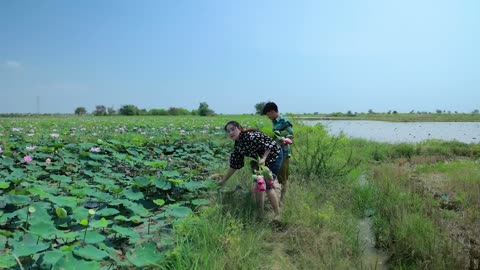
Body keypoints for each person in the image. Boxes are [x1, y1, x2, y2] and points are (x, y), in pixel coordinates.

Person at [218, 120, 283, 220]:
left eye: (232, 129)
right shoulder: (238, 147)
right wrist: (224, 180)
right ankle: (260, 214)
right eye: (228, 131)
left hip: (274, 156)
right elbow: (234, 166)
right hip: (259, 161)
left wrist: (264, 158)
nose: (230, 132)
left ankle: (277, 214)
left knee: (268, 186)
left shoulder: (251, 136)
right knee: (259, 185)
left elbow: (270, 145)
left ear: (239, 128)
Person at [262, 102, 294, 202]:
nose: (267, 117)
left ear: (272, 112)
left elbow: (291, 135)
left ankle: (282, 200)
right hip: (275, 153)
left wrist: (283, 138)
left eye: (267, 114)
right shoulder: (275, 122)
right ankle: (275, 197)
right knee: (274, 175)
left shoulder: (284, 121)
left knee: (283, 178)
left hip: (283, 153)